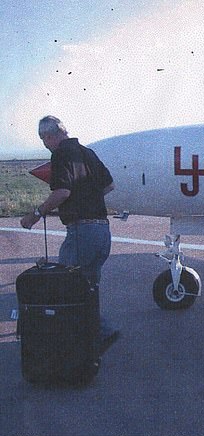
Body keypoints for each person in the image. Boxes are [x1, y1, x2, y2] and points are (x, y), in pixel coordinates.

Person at [20, 115, 119, 353]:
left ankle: (92, 337)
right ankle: (90, 342)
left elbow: (62, 192)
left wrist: (35, 214)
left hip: (81, 233)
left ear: (51, 135)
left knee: (63, 286)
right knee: (86, 289)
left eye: (44, 138)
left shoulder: (61, 154)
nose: (45, 143)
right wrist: (86, 199)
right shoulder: (88, 152)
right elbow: (109, 185)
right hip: (101, 232)